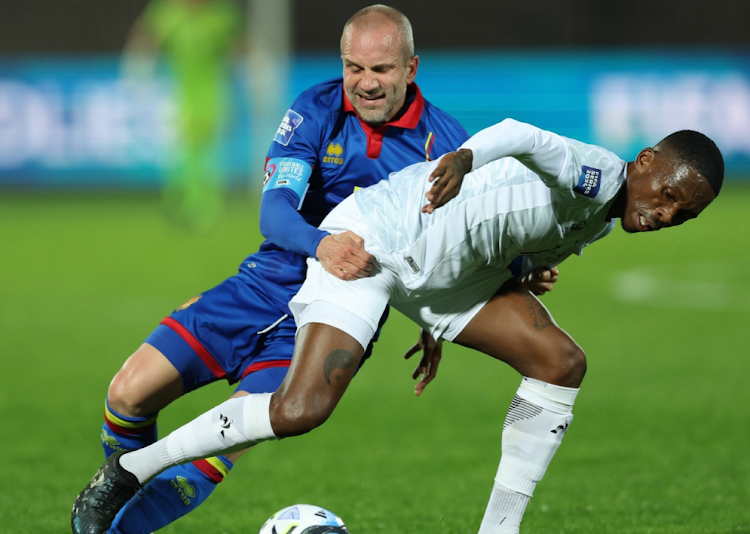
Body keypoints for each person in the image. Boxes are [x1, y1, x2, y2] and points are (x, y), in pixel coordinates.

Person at [72, 117, 723, 534]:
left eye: (682, 215)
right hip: (375, 239)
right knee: (300, 409)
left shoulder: (600, 219)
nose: (667, 214)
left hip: (445, 279)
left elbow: (506, 243)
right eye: (669, 194)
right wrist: (466, 157)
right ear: (644, 161)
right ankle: (132, 469)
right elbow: (522, 135)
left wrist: (467, 307)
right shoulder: (598, 172)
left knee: (560, 362)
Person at [99, 5, 471, 534]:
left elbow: (454, 244)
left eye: (381, 70)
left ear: (411, 69)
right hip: (261, 286)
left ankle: (111, 529)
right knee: (127, 393)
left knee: (212, 451)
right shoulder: (316, 108)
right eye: (354, 68)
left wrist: (443, 315)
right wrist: (322, 246)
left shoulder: (444, 146)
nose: (364, 84)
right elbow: (274, 212)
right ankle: (112, 488)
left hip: (332, 321)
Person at [122, 0, 245, 232]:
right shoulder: (166, 12)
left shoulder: (220, 15)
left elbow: (238, 46)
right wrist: (138, 67)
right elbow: (146, 38)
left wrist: (253, 70)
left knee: (206, 149)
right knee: (184, 148)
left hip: (214, 92)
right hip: (178, 91)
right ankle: (182, 201)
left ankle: (203, 205)